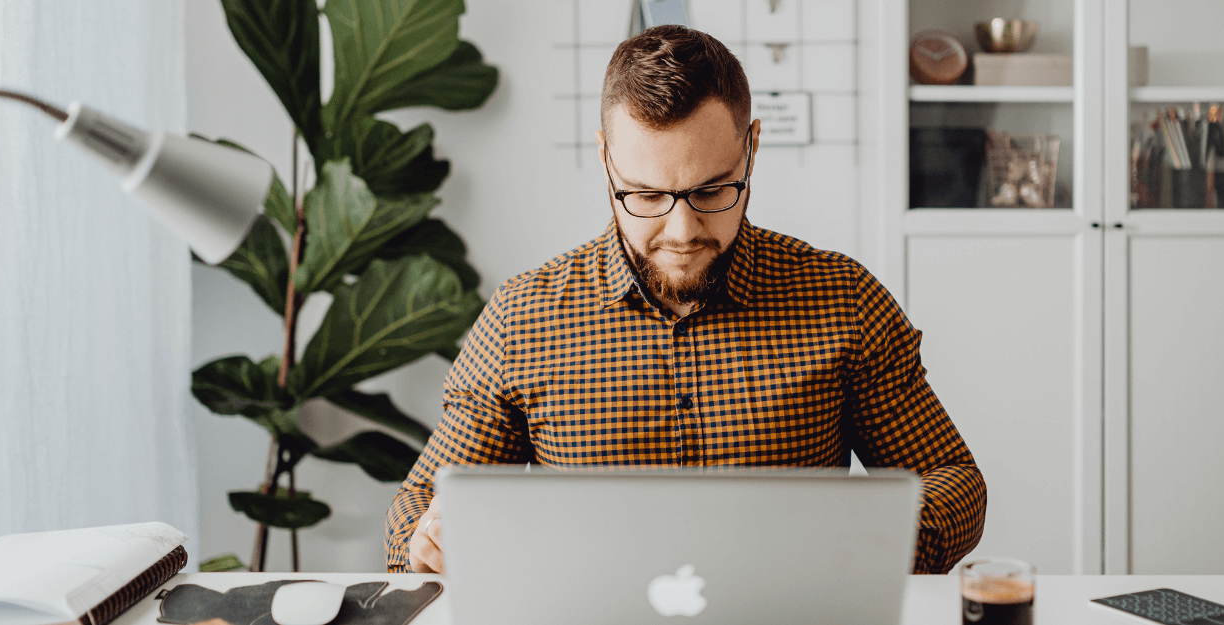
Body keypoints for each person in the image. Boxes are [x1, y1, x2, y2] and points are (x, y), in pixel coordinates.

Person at [384, 24, 985, 575]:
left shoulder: (842, 300)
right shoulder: (523, 318)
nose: (680, 232)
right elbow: (419, 503)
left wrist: (877, 543)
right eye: (644, 196)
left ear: (750, 149)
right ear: (604, 160)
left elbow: (954, 480)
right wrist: (426, 539)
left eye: (712, 190)